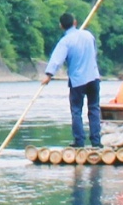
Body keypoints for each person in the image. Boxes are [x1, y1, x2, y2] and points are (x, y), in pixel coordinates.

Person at [43, 13, 101, 149]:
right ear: (75, 22)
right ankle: (96, 142)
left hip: (78, 80)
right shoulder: (88, 35)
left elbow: (57, 60)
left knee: (76, 111)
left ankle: (79, 141)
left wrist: (48, 75)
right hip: (93, 77)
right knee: (94, 109)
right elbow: (94, 53)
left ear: (61, 26)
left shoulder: (66, 41)